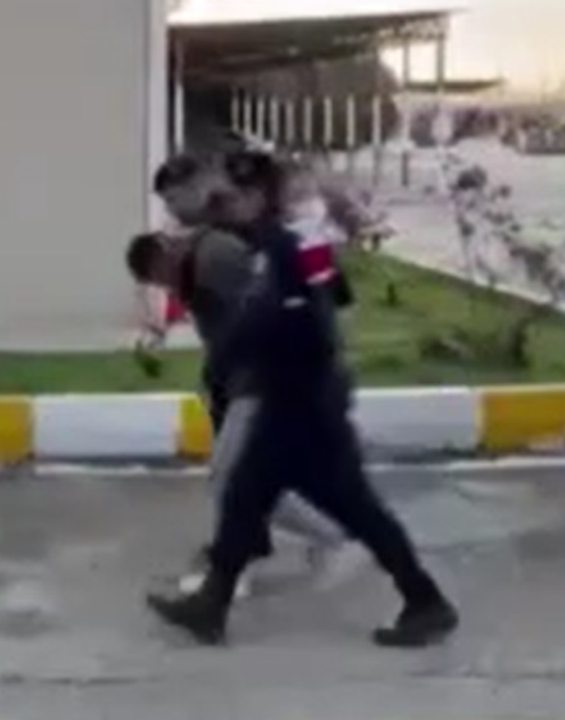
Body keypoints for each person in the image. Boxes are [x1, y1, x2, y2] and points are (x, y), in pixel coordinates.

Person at [132, 151, 458, 647]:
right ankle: (211, 606)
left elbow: (324, 308)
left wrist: (252, 347)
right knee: (243, 494)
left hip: (308, 397)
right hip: (284, 394)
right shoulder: (262, 240)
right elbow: (265, 309)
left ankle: (426, 601)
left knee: (355, 509)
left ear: (260, 195)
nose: (228, 201)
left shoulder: (298, 241)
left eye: (238, 194)